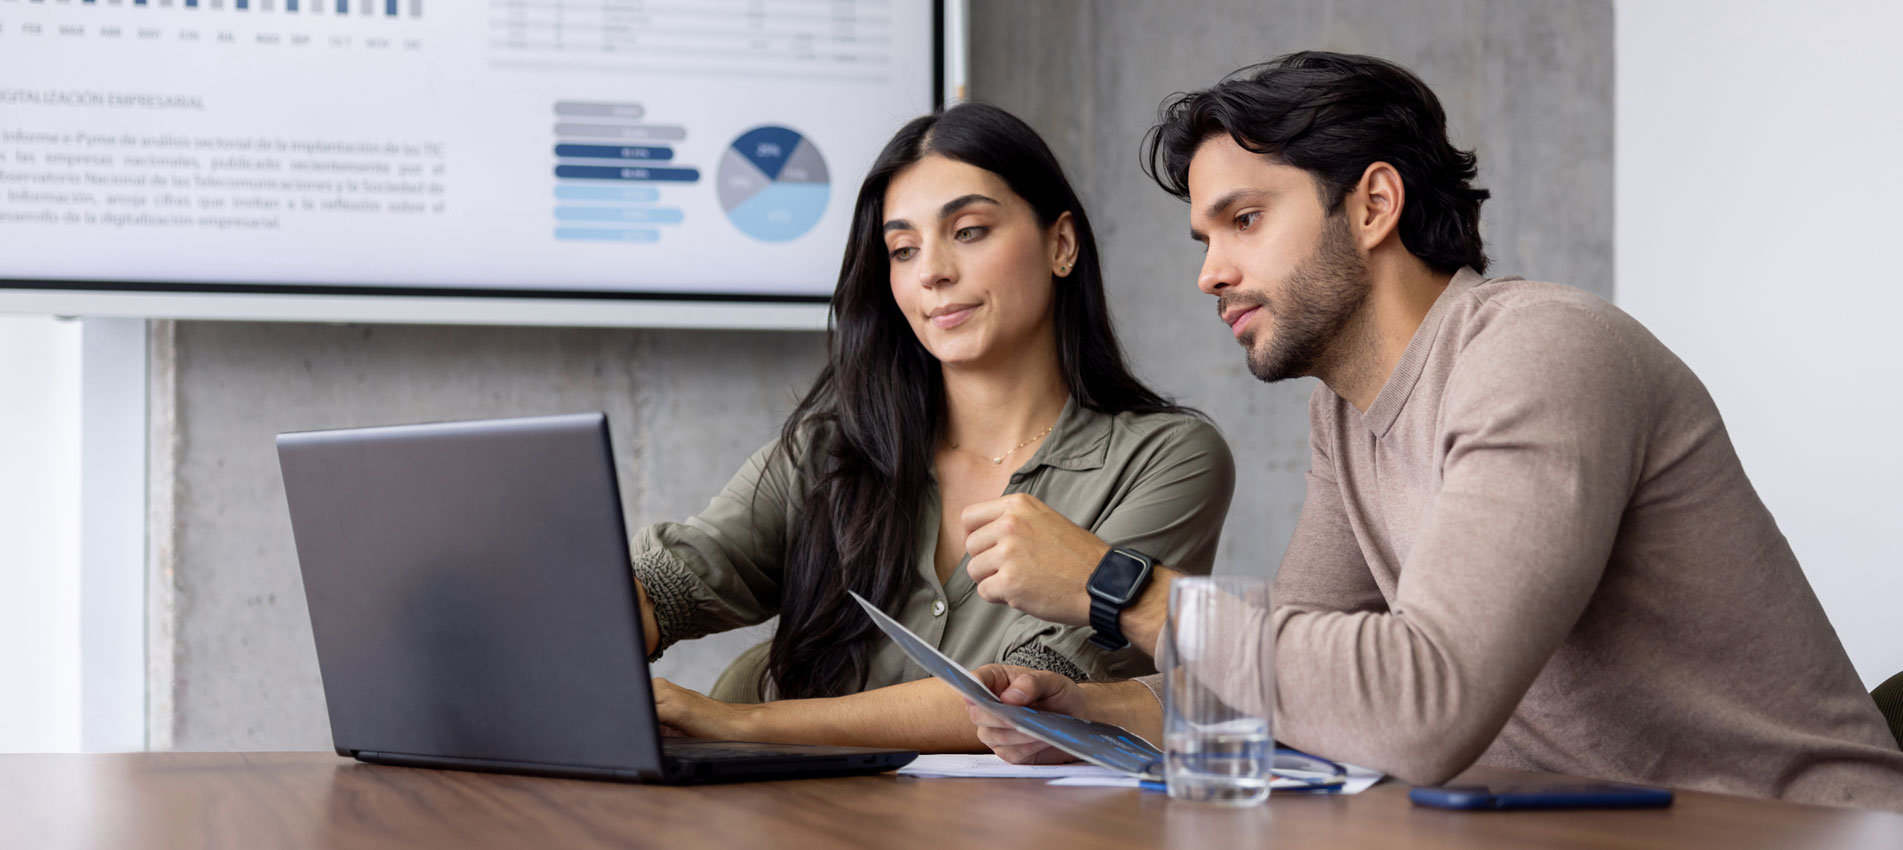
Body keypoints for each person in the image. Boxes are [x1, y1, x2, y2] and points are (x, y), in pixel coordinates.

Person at [958, 51, 1903, 810]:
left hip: (1789, 826)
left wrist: (1111, 586)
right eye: (1204, 239)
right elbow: (1286, 672)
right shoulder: (1348, 410)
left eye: (1244, 220)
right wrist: (1091, 712)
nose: (1211, 271)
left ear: (1373, 205)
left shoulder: (1541, 351)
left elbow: (1426, 704)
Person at [630, 102, 1236, 752]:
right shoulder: (829, 448)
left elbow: (1033, 694)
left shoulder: (1166, 458)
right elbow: (675, 581)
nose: (931, 271)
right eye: (901, 249)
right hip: (785, 813)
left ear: (1060, 244)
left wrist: (738, 724)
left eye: (969, 231)